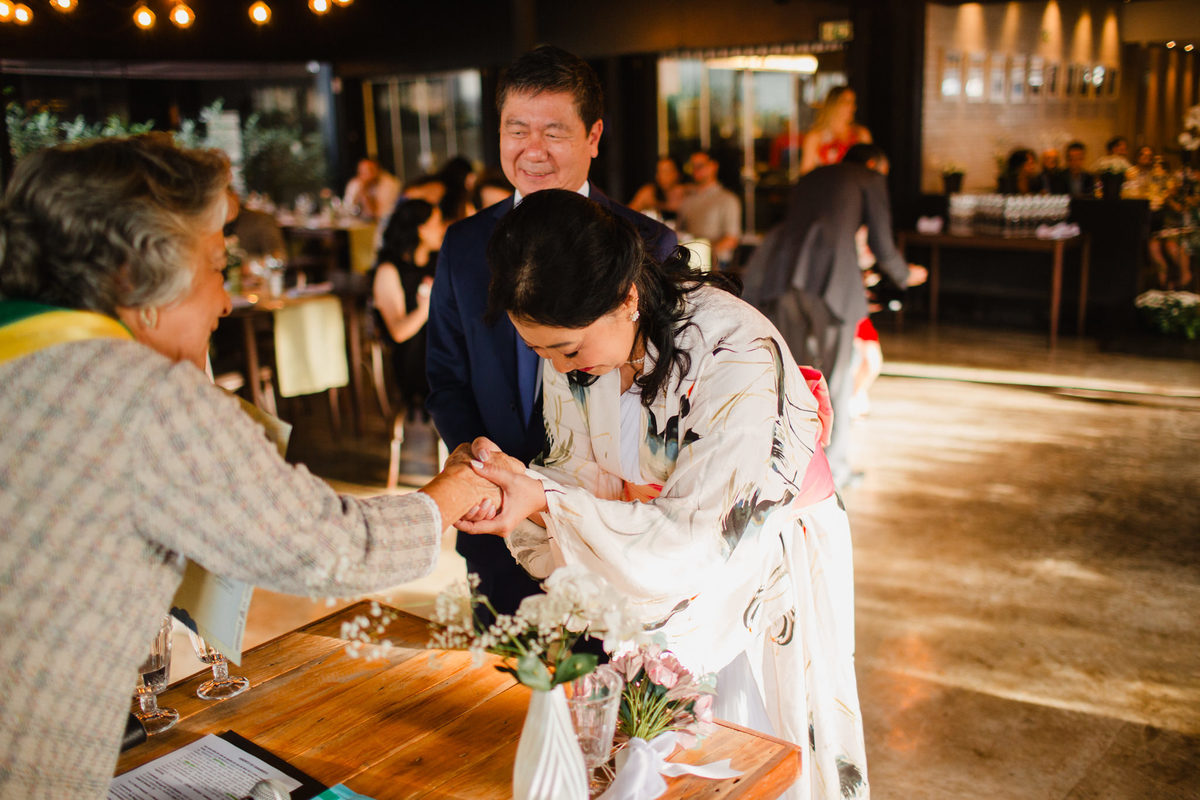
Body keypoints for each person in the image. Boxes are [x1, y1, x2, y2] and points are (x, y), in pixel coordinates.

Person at [0, 134, 497, 798]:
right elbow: (323, 545)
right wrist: (450, 494)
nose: (226, 302)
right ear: (136, 277)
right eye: (214, 266)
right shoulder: (139, 394)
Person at [458, 190, 868, 800]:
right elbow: (573, 474)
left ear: (627, 296)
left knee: (756, 749)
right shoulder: (580, 347)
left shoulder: (736, 352)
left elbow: (704, 543)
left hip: (756, 566)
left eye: (567, 349)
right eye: (540, 351)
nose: (559, 366)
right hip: (653, 553)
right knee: (660, 759)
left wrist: (546, 502)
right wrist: (514, 484)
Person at [426, 45, 677, 616]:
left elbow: (669, 391)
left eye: (554, 132)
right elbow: (445, 377)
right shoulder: (465, 246)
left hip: (610, 531)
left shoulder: (649, 245)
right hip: (498, 527)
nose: (531, 151)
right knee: (502, 694)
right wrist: (480, 466)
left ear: (593, 136)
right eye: (516, 129)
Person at [740, 143, 926, 489]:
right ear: (873, 163)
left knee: (795, 378)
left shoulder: (812, 178)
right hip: (831, 285)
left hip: (784, 280)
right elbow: (883, 244)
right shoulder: (868, 177)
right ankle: (835, 470)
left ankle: (789, 466)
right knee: (837, 378)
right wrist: (904, 275)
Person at [371, 198, 445, 416]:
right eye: (437, 223)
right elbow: (398, 332)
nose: (442, 229)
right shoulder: (389, 270)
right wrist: (426, 308)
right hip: (413, 359)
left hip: (442, 350)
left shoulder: (437, 261)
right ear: (421, 230)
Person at [676, 150, 741, 268]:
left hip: (717, 263)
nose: (696, 170)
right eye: (693, 166)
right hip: (689, 261)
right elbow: (679, 231)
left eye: (700, 166)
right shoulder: (687, 199)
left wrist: (704, 253)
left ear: (713, 166)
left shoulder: (727, 199)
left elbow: (732, 239)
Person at [798, 85, 872, 176]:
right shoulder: (816, 137)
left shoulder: (861, 134)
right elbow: (806, 174)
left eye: (853, 103)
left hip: (854, 188)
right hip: (826, 188)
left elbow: (870, 170)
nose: (852, 107)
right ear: (833, 104)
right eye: (846, 102)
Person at [628, 155, 687, 223]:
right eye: (659, 171)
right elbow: (628, 214)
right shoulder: (649, 192)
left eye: (666, 171)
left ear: (678, 173)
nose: (661, 176)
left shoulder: (687, 193)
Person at [343, 157, 402, 221]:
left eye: (370, 170)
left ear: (379, 171)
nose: (365, 175)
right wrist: (361, 191)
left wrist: (365, 194)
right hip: (359, 225)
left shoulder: (390, 184)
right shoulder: (355, 183)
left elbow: (380, 215)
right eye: (362, 172)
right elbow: (347, 209)